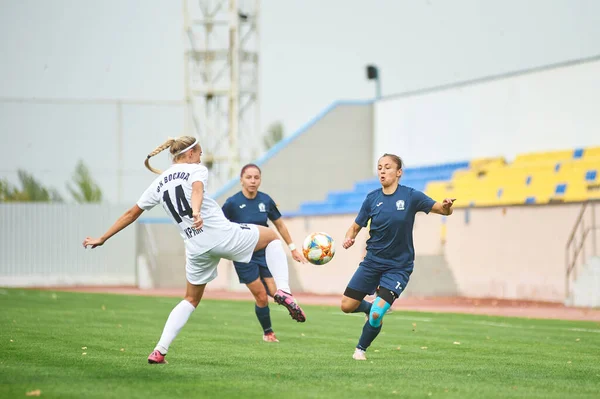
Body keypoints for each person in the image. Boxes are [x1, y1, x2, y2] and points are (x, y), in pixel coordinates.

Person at [82, 135, 304, 364]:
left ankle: (159, 351)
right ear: (189, 154)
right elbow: (197, 191)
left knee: (190, 299)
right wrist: (196, 212)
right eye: (199, 153)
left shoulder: (158, 183)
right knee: (272, 238)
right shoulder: (196, 170)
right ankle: (284, 290)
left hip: (195, 246)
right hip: (220, 234)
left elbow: (131, 214)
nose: (201, 157)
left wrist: (103, 237)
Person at [339, 153, 455, 360]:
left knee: (377, 314)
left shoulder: (411, 196)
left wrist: (447, 206)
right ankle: (369, 307)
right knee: (346, 306)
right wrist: (349, 238)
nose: (382, 171)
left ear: (399, 172)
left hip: (398, 267)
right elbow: (355, 227)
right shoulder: (372, 199)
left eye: (388, 167)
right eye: (380, 167)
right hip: (372, 263)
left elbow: (443, 210)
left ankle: (360, 350)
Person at [221, 164, 307, 342]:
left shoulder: (266, 200)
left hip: (265, 253)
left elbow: (280, 225)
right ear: (241, 180)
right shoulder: (232, 203)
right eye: (249, 177)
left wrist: (293, 249)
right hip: (243, 257)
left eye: (256, 177)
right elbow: (221, 228)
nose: (253, 181)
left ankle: (288, 303)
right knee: (261, 296)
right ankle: (268, 332)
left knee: (276, 293)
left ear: (260, 179)